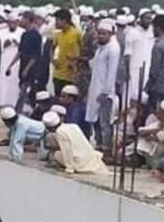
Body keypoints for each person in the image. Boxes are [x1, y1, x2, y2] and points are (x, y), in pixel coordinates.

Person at [86, 18, 120, 157]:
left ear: (110, 34)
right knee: (95, 120)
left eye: (103, 34)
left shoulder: (113, 49)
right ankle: (99, 146)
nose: (100, 36)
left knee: (104, 122)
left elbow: (111, 73)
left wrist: (105, 92)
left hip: (105, 93)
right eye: (99, 33)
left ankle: (106, 150)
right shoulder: (101, 48)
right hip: (95, 88)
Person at [42, 111, 109, 174]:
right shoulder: (73, 126)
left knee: (56, 154)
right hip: (89, 157)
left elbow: (67, 150)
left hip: (78, 161)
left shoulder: (60, 132)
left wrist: (70, 168)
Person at [6, 11, 42, 114]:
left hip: (31, 69)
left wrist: (27, 69)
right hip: (23, 66)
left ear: (28, 20)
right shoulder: (24, 34)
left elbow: (36, 55)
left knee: (24, 92)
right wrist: (10, 65)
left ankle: (19, 113)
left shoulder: (36, 36)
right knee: (22, 90)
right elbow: (20, 52)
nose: (21, 21)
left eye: (23, 19)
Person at [0, 12, 24, 110]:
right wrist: (4, 45)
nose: (12, 25)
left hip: (16, 64)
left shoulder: (22, 33)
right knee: (1, 82)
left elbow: (24, 49)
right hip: (3, 62)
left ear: (17, 22)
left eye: (14, 23)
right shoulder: (1, 33)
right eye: (10, 23)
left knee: (14, 83)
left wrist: (18, 44)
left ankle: (13, 105)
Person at [126, 9, 155, 103]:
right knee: (133, 96)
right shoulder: (132, 33)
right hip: (135, 69)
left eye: (150, 18)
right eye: (147, 18)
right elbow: (127, 53)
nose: (149, 21)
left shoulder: (153, 33)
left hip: (149, 68)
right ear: (141, 18)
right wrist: (127, 71)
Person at [52, 9, 82, 96]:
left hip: (70, 76)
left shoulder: (76, 34)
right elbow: (52, 48)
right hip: (58, 74)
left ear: (64, 20)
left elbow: (83, 49)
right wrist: (53, 60)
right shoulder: (58, 34)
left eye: (57, 20)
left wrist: (76, 60)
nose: (55, 23)